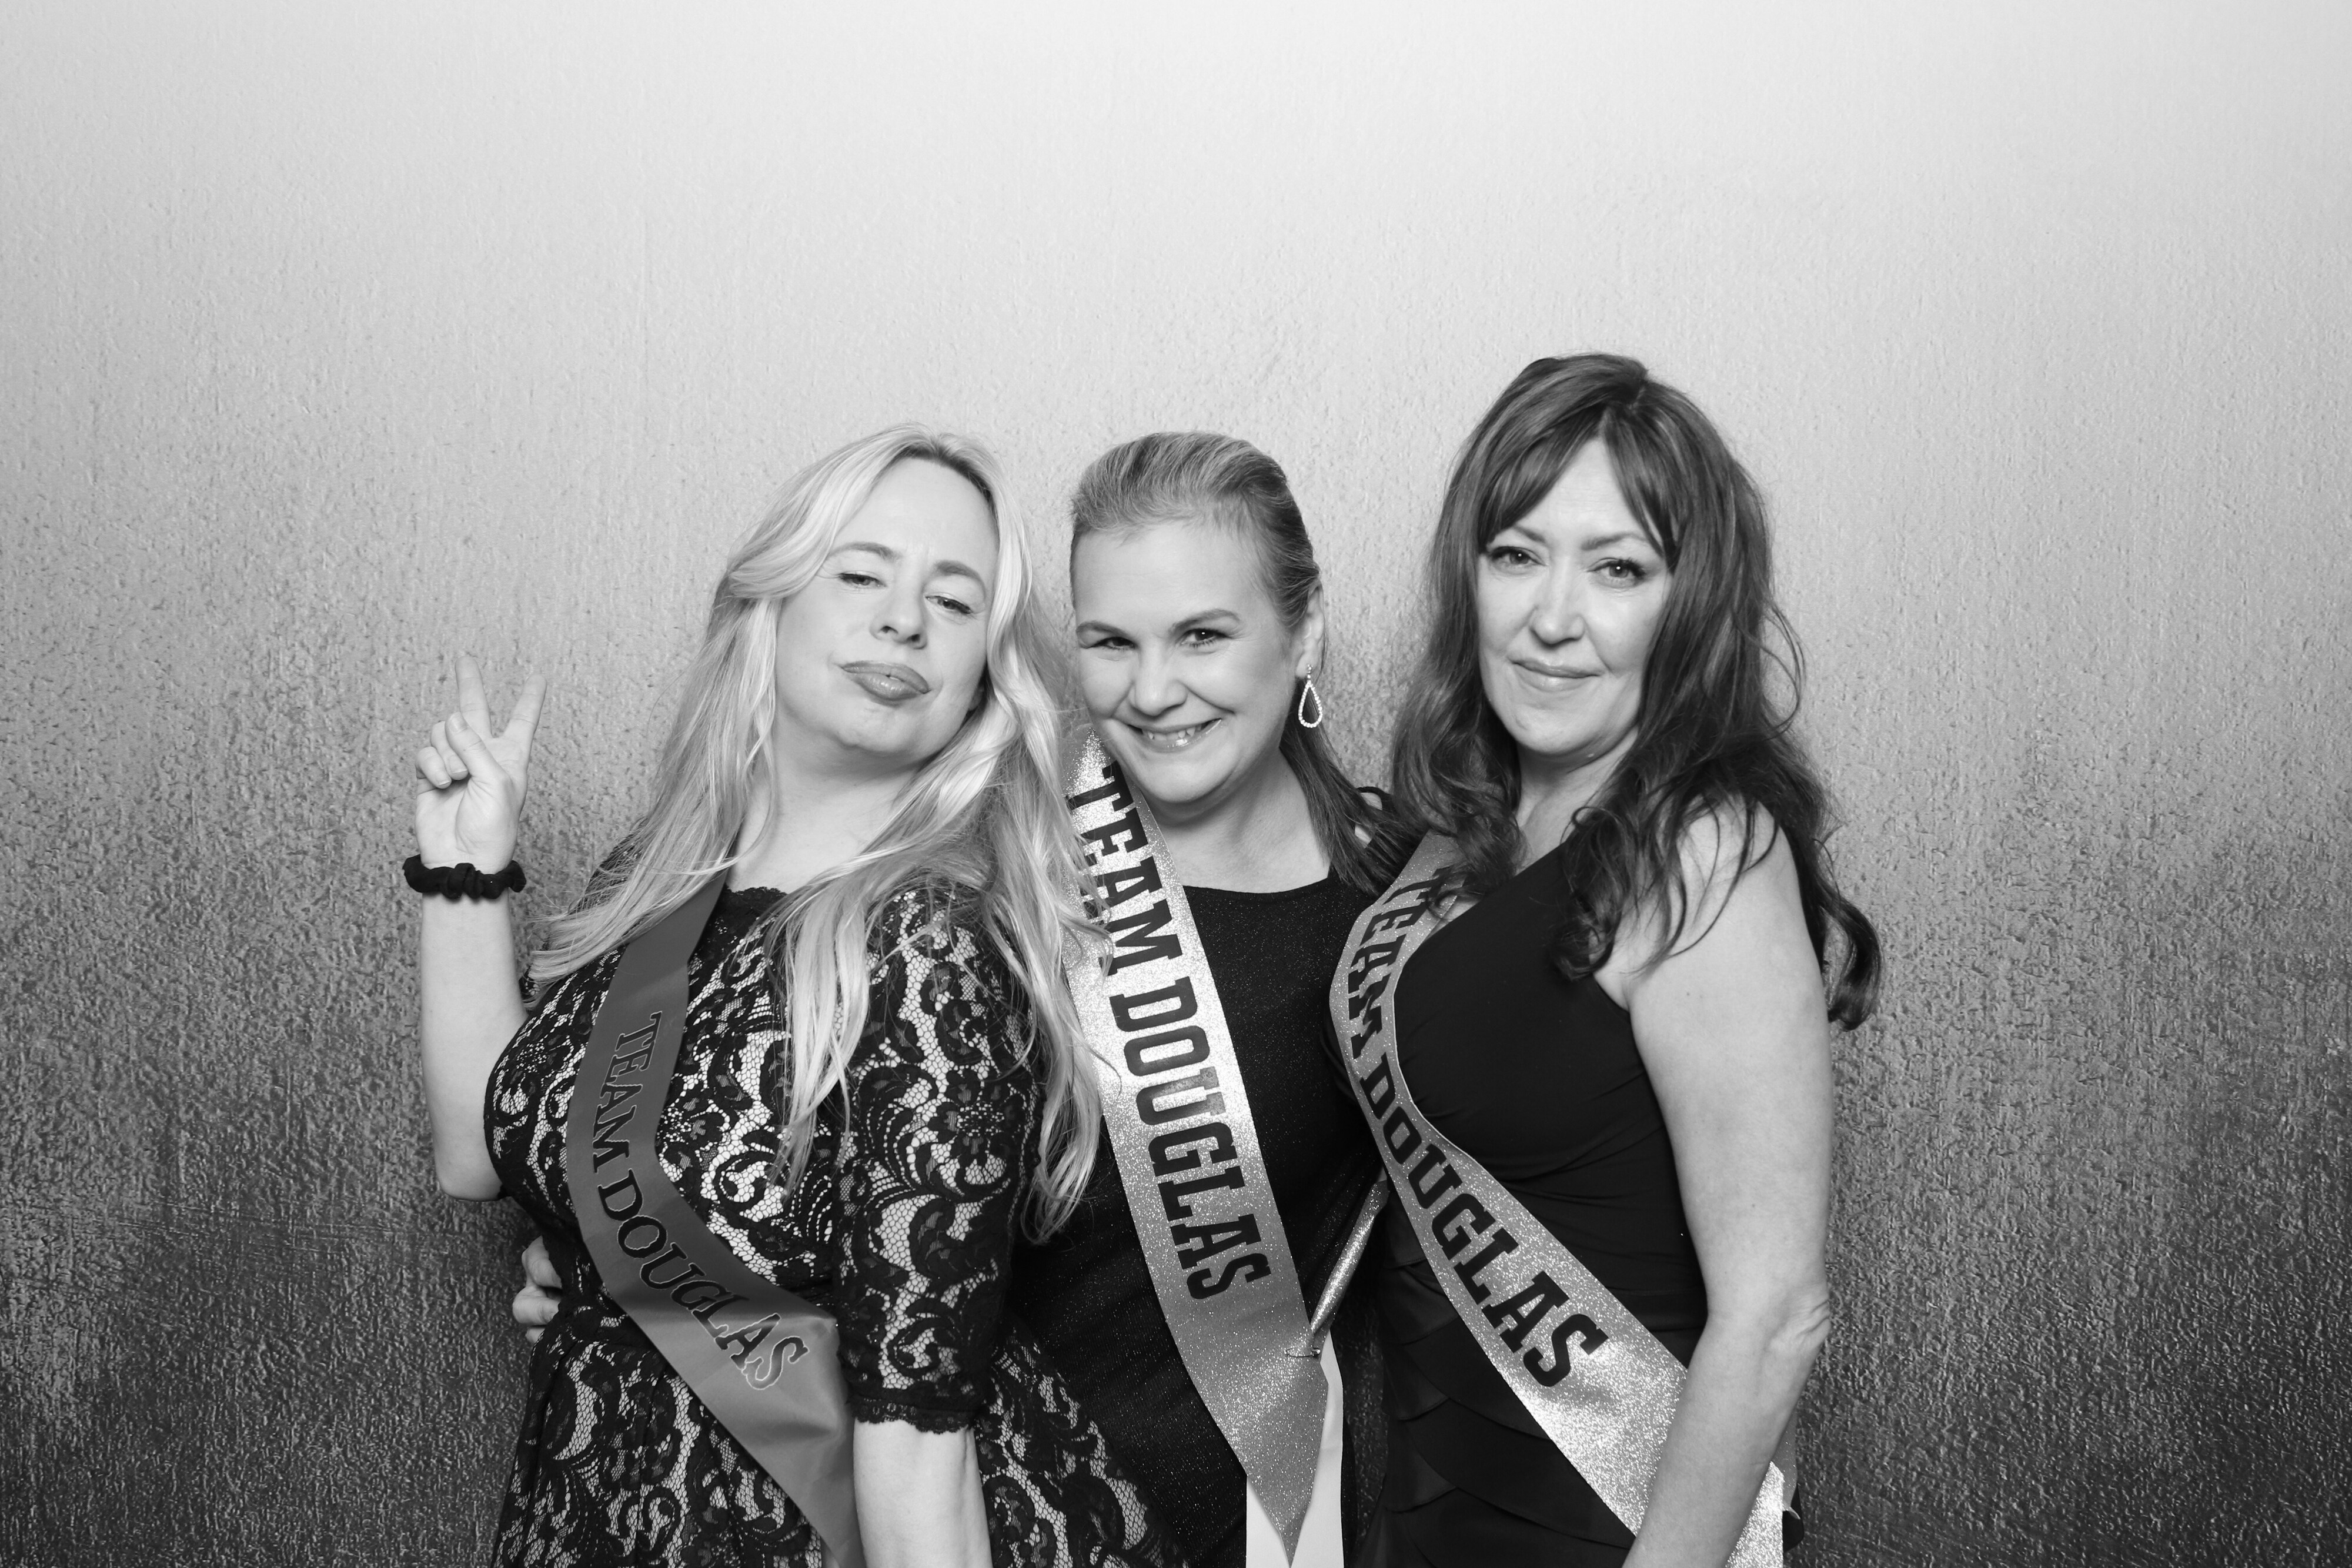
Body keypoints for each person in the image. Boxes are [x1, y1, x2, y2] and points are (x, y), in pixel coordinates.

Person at [511, 429, 1401, 1567]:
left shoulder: (1399, 912)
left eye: (1203, 634)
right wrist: (625, 1263)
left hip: (1219, 1517)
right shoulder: (983, 853)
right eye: (1108, 641)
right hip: (912, 1501)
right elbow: (729, 1114)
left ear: (1304, 630)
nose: (1153, 689)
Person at [412, 426, 1179, 1568]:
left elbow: (918, 1447)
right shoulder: (657, 878)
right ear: (769, 603)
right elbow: (479, 1157)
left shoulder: (926, 943)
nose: (904, 620)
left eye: (954, 601)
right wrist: (465, 873)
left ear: (981, 675)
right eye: (861, 575)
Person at [1341, 355, 1880, 1567]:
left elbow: (1776, 1315)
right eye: (1515, 554)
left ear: (1691, 603)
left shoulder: (1704, 850)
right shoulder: (1462, 830)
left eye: (1618, 568)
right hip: (1426, 1524)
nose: (1552, 615)